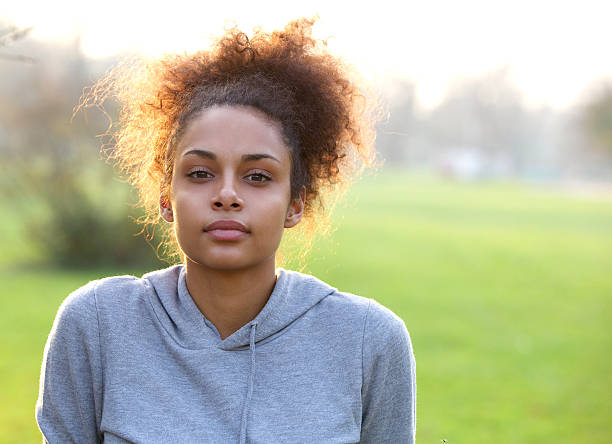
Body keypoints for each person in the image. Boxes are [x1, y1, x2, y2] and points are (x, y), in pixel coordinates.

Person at [35, 17, 416, 443]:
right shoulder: (98, 324)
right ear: (166, 198)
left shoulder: (368, 340)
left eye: (257, 176)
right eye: (200, 173)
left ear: (295, 204)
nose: (227, 194)